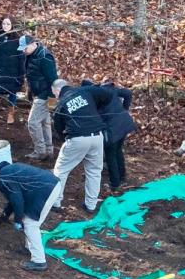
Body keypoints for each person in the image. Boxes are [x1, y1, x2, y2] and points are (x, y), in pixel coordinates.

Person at [0, 161, 61, 272]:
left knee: (31, 225)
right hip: (49, 185)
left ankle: (39, 261)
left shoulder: (3, 178)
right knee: (28, 222)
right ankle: (29, 248)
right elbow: (12, 199)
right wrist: (5, 215)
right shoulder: (6, 171)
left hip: (46, 191)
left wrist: (18, 220)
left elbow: (17, 201)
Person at [51, 79, 114, 213]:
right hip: (97, 136)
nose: (56, 97)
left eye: (54, 94)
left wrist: (65, 140)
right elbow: (107, 94)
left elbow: (58, 128)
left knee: (61, 170)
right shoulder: (85, 91)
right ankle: (90, 205)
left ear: (57, 91)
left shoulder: (61, 105)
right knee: (94, 172)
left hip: (77, 138)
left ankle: (55, 202)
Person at [83, 77, 136, 192]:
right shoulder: (107, 90)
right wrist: (124, 110)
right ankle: (122, 176)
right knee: (117, 150)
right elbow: (127, 93)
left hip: (113, 127)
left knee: (110, 153)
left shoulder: (94, 98)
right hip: (124, 123)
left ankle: (115, 183)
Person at [21, 35, 59, 160]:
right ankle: (48, 150)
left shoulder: (44, 57)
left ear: (33, 44)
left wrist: (52, 101)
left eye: (25, 48)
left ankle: (40, 151)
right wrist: (30, 93)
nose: (23, 51)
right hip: (39, 93)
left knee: (33, 122)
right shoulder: (31, 55)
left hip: (46, 95)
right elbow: (32, 76)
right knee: (45, 122)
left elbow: (53, 79)